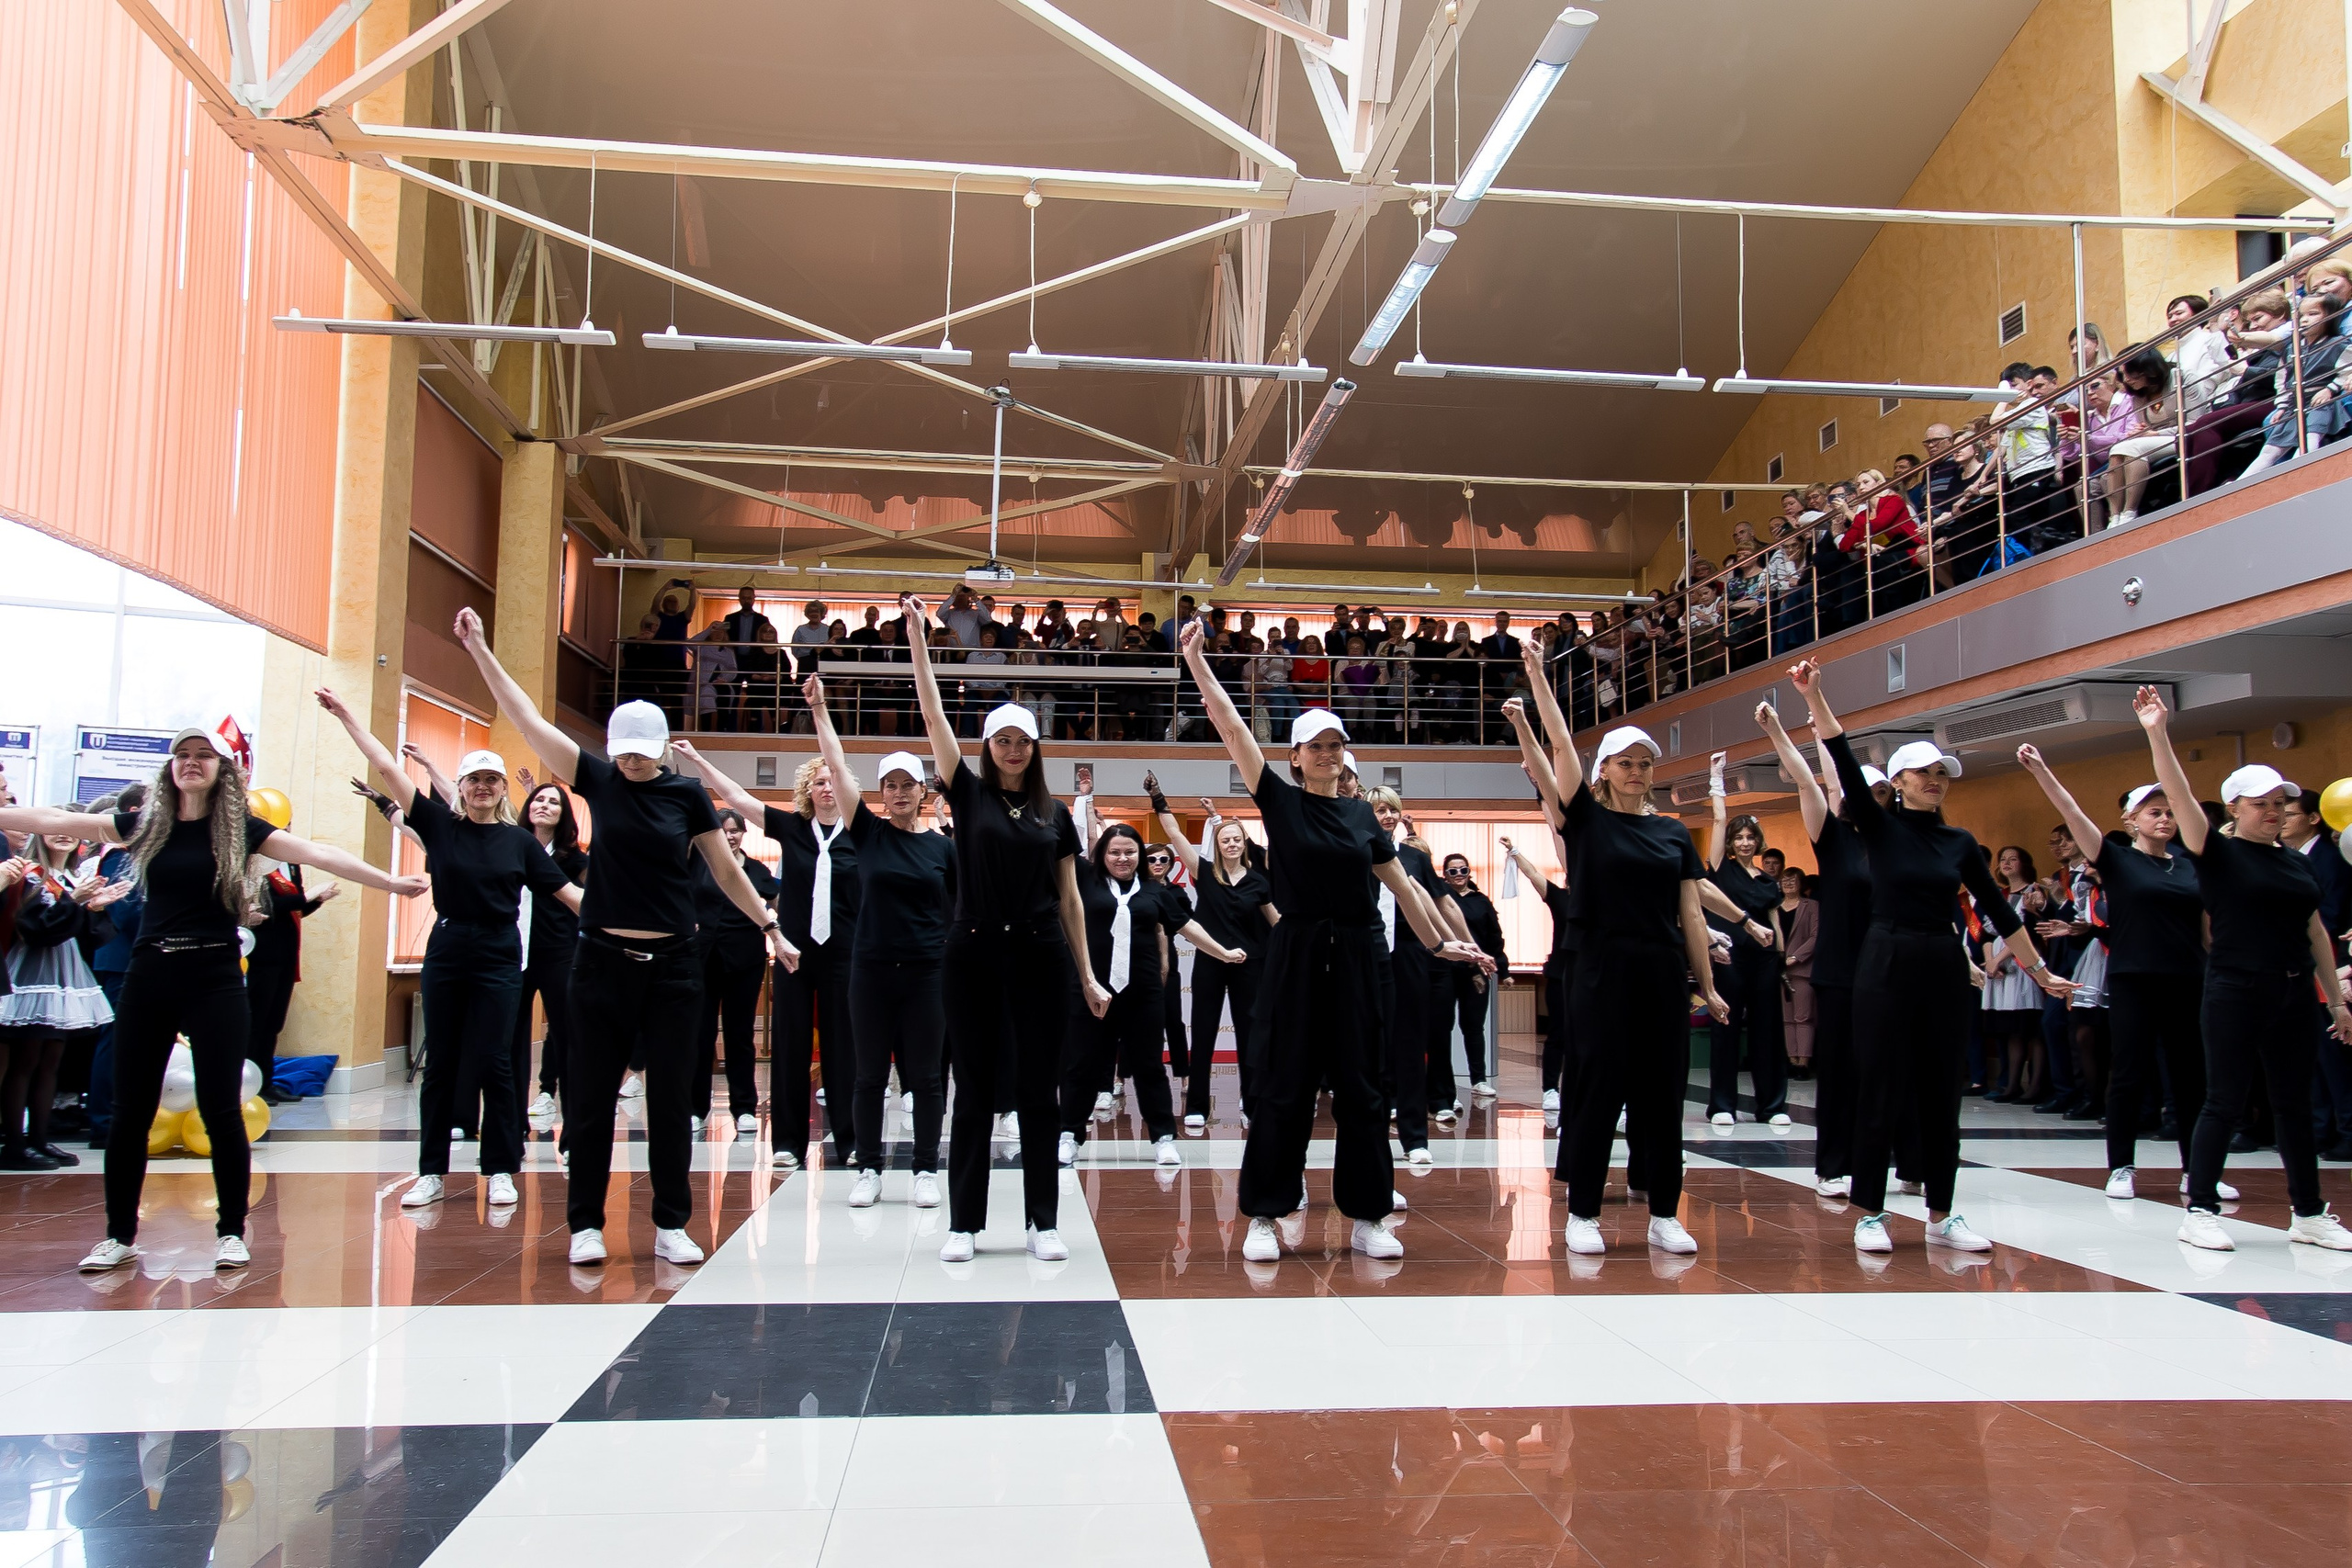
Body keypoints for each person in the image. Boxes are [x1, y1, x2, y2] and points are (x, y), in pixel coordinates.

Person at [1, 726, 426, 1271]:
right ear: (170, 768)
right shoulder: (144, 825)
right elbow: (56, 821)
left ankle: (231, 1230)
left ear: (222, 770)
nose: (191, 762)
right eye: (182, 754)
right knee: (131, 1111)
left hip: (215, 976)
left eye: (203, 755)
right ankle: (119, 1235)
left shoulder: (241, 829)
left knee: (222, 1108)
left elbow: (318, 852)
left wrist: (390, 884)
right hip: (150, 973)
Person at [453, 608, 795, 1269]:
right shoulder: (600, 780)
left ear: (662, 748)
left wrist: (769, 925)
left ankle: (671, 1222)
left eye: (643, 751)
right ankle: (585, 1222)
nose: (633, 761)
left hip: (674, 965)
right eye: (624, 751)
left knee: (670, 1100)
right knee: (590, 1095)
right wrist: (481, 652)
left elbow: (727, 870)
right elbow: (529, 721)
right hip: (601, 960)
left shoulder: (688, 796)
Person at [1181, 616, 1491, 1267]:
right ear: (1295, 756)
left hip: (1357, 953)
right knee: (1283, 1085)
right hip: (1296, 952)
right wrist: (1200, 664)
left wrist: (1440, 943)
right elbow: (1233, 729)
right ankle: (1265, 1212)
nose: (1327, 753)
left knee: (1363, 1088)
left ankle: (1369, 1214)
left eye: (1335, 745)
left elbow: (1403, 886)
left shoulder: (1361, 817)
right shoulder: (1280, 800)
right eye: (1315, 746)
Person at [1789, 659, 2074, 1255]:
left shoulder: (1959, 842)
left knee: (1944, 1089)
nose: (1936, 780)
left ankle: (1942, 1214)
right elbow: (1840, 755)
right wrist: (1815, 696)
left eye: (1942, 773)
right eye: (1924, 772)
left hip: (1942, 958)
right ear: (1898, 781)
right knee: (1880, 1083)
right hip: (1884, 957)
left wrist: (2040, 970)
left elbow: (1999, 911)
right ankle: (1871, 1213)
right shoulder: (1877, 825)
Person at [318, 689, 584, 1215]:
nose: (483, 787)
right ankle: (430, 1172)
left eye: (492, 780)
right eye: (474, 779)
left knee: (495, 1060)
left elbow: (570, 895)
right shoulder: (438, 824)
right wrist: (347, 714)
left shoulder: (520, 842)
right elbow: (385, 765)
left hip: (499, 951)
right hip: (448, 945)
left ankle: (501, 1167)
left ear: (502, 789)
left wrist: (629, 922)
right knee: (441, 1062)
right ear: (460, 788)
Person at [1502, 641, 1726, 1258]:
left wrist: (1706, 985)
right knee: (1597, 1087)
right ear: (1603, 770)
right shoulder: (1586, 820)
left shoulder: (1672, 833)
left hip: (1660, 968)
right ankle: (1583, 1211)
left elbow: (1690, 913)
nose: (1637, 771)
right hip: (1598, 967)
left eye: (1645, 764)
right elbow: (1559, 744)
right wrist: (1537, 677)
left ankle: (1664, 1213)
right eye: (1625, 762)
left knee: (1663, 1092)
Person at [901, 593, 1107, 1264]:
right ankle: (965, 1223)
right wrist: (919, 640)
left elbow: (1070, 899)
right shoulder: (967, 792)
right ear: (987, 747)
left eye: (1023, 741)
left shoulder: (1055, 813)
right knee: (974, 1088)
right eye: (1003, 740)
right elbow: (933, 712)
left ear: (1035, 747)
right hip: (973, 950)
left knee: (1039, 1091)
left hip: (1042, 952)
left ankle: (1042, 1221)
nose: (1014, 750)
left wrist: (1087, 974)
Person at [2132, 688, 2352, 1251]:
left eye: (2280, 802)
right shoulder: (2217, 852)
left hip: (2294, 993)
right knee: (2224, 1100)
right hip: (2235, 989)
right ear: (2234, 808)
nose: (2273, 810)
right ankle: (2200, 1209)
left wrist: (2336, 999)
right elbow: (2179, 794)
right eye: (2260, 803)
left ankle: (2308, 1213)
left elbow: (2315, 931)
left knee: (2294, 1104)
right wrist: (2157, 732)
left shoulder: (2296, 864)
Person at [676, 739, 861, 1175]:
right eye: (819, 782)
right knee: (790, 1046)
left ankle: (852, 1140)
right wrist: (699, 759)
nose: (827, 788)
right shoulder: (792, 827)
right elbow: (737, 798)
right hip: (794, 953)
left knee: (843, 1048)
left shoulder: (861, 832)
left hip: (844, 954)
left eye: (833, 780)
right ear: (808, 790)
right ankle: (788, 1143)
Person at [804, 681, 956, 1209]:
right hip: (869, 972)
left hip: (926, 973)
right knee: (869, 1075)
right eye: (890, 785)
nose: (899, 792)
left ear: (923, 791)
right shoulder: (867, 832)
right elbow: (836, 764)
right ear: (881, 793)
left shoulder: (942, 849)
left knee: (927, 1077)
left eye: (908, 784)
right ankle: (868, 1166)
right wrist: (821, 709)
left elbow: (959, 912)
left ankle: (925, 1168)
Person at [1057, 820, 1247, 1170]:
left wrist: (1222, 952)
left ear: (1139, 856)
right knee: (1081, 1064)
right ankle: (1069, 1135)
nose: (1122, 858)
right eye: (1114, 852)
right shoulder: (1085, 882)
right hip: (1091, 991)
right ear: (1102, 855)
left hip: (1142, 994)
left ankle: (1163, 1138)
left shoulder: (1154, 891)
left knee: (1149, 1067)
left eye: (1130, 852)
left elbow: (1188, 927)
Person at [1752, 698, 1879, 1197]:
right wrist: (1780, 731)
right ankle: (1832, 1166)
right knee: (1841, 1071)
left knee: (1886, 1070)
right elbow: (1815, 782)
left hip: (1886, 968)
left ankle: (1894, 1161)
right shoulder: (1835, 838)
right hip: (1841, 972)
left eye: (1880, 793)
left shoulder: (1893, 843)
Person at [1147, 779, 1276, 1131]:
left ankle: (1251, 1103)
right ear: (1217, 845)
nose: (1231, 844)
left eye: (1236, 839)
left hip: (1250, 965)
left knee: (1250, 1034)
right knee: (1203, 1034)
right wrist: (1158, 798)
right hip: (1210, 963)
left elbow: (1276, 922)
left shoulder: (1259, 882)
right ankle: (1197, 1106)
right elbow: (1174, 834)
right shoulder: (1204, 873)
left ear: (1244, 843)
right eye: (1225, 840)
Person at [0, 818, 122, 1168]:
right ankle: (16, 1143)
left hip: (65, 974)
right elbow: (36, 930)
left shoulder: (70, 878)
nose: (64, 834)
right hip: (31, 973)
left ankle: (40, 1139)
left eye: (71, 830)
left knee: (51, 1061)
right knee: (25, 1061)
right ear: (39, 834)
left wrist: (92, 908)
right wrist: (74, 902)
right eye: (54, 828)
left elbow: (87, 936)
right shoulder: (30, 875)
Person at [1702, 772, 1789, 1131]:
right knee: (1726, 1026)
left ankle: (1771, 1105)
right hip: (1729, 958)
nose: (1744, 843)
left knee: (1768, 1031)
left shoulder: (1768, 881)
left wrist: (1782, 959)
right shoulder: (1721, 870)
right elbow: (1718, 819)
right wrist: (1717, 782)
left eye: (1750, 837)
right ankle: (1722, 1105)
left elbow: (1775, 922)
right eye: (1738, 837)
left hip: (1764, 961)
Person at [686, 809, 779, 1134]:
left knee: (740, 1035)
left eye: (735, 830)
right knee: (700, 1034)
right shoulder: (697, 863)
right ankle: (696, 1108)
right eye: (723, 830)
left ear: (743, 834)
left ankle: (744, 1108)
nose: (729, 836)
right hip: (701, 959)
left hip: (744, 961)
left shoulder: (757, 869)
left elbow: (777, 900)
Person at [244, 826, 336, 1106]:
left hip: (286, 953)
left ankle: (266, 1082)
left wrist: (316, 900)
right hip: (260, 954)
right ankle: (249, 1083)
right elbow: (264, 905)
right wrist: (304, 898)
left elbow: (296, 908)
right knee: (256, 1022)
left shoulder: (292, 864)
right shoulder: (253, 861)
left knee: (273, 1023)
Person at [517, 781, 588, 1123]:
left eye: (553, 802)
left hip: (560, 953)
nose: (544, 805)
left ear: (564, 815)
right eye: (538, 799)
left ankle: (570, 1123)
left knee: (565, 1034)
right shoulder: (512, 846)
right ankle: (513, 1120)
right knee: (511, 1037)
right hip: (514, 953)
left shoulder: (575, 859)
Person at [1500, 830, 1572, 1114]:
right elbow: (1533, 875)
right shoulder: (1560, 898)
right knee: (1558, 1035)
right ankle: (1551, 1089)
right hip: (1561, 976)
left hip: (1594, 977)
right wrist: (1515, 852)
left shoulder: (1604, 904)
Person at [1440, 853, 1508, 1100]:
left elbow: (1494, 937)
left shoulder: (1481, 901)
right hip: (1445, 970)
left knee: (1473, 1026)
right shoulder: (1440, 899)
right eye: (1453, 871)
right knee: (1442, 1026)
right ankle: (1443, 1084)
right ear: (1445, 875)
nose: (1459, 875)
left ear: (1469, 872)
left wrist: (1503, 969)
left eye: (1463, 870)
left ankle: (1479, 1079)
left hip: (1475, 972)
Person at [1777, 866, 1816, 1078]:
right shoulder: (1773, 906)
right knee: (1786, 1019)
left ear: (1801, 884)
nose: (1788, 884)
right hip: (1778, 969)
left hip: (1801, 969)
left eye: (1793, 880)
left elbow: (1815, 936)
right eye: (1785, 880)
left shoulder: (1812, 906)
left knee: (1803, 1018)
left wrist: (1795, 957)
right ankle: (1791, 1060)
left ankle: (1803, 1063)